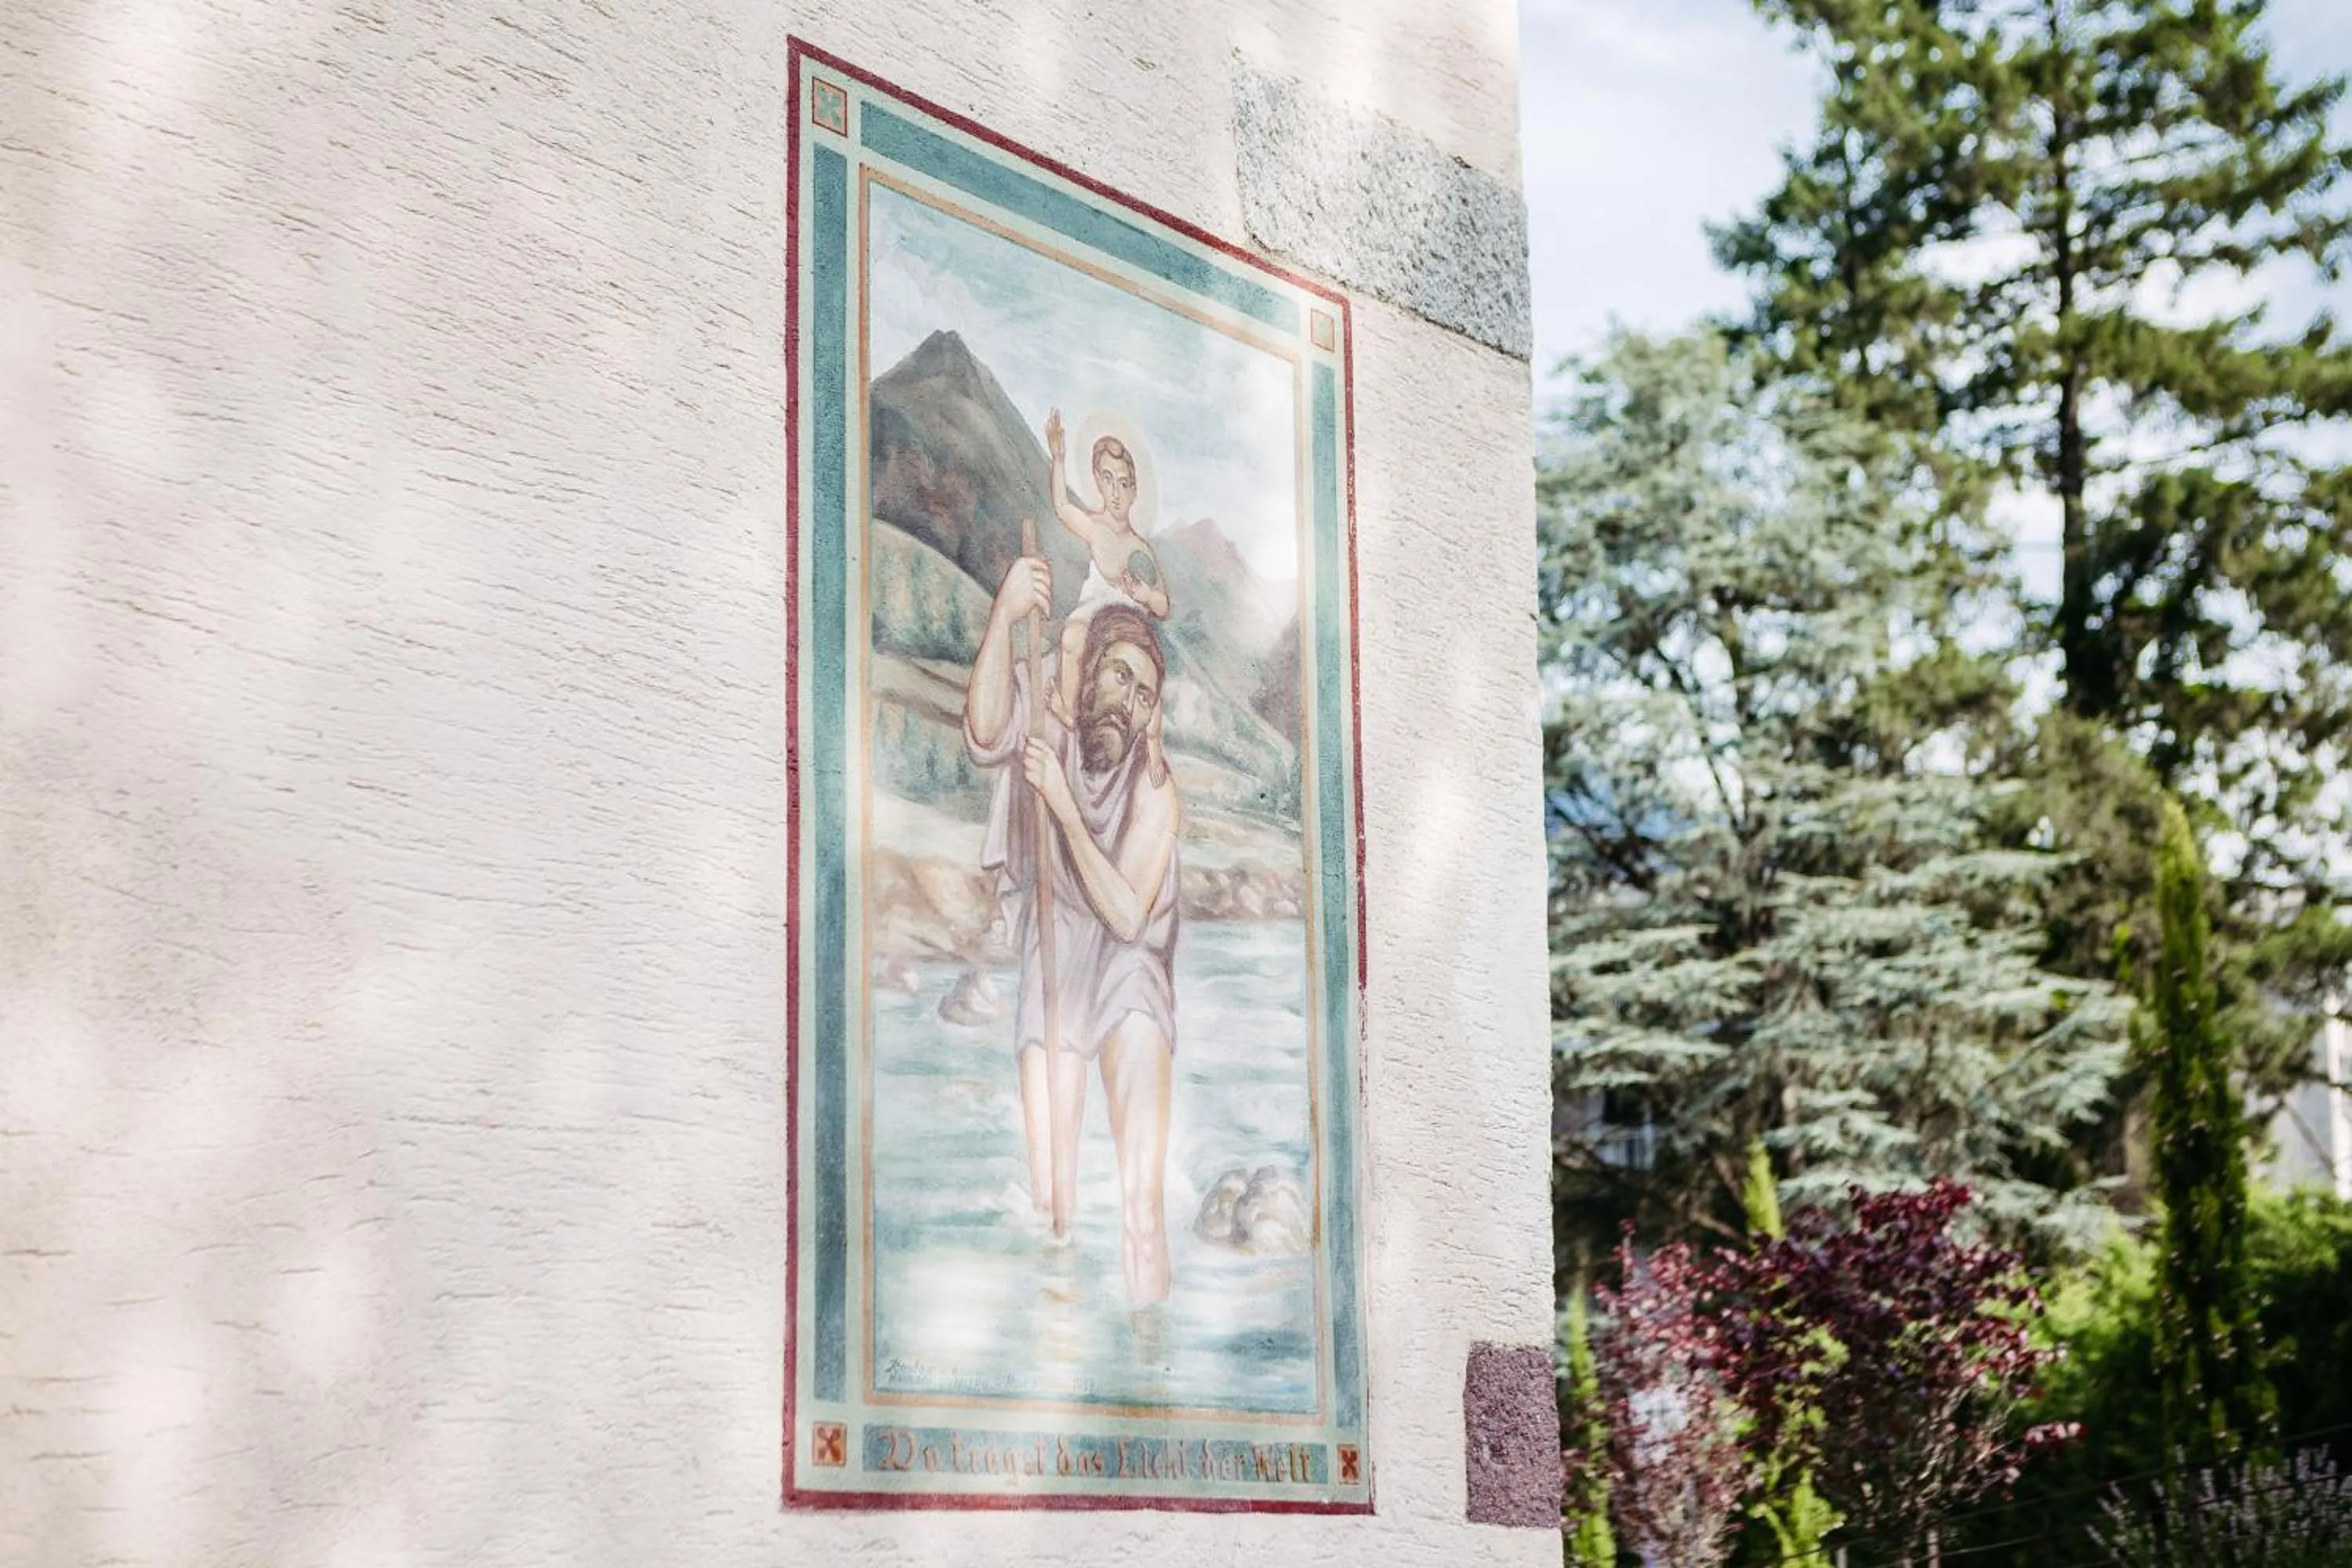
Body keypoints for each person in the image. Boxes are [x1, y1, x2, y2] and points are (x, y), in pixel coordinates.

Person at [964, 551, 1181, 1307]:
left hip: (1130, 968)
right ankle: (1058, 1339)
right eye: (1119, 677)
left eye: (1145, 695)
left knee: (1141, 1204)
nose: (1129, 703)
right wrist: (1004, 615)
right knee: (1051, 1193)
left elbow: (1127, 914)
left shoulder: (1156, 789)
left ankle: (1148, 1340)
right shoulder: (1046, 716)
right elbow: (984, 729)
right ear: (1088, 674)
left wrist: (1060, 804)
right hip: (1054, 945)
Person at [1043, 409, 1169, 728]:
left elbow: (1163, 605)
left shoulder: (1140, 549)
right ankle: (1069, 711)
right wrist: (1058, 459)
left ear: (1134, 491)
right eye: (1108, 479)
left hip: (1126, 626)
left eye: (1124, 483)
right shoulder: (1096, 528)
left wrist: (1146, 595)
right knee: (1072, 636)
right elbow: (1062, 507)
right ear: (1098, 480)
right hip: (1093, 615)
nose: (1116, 492)